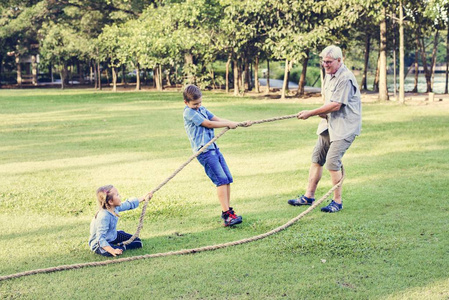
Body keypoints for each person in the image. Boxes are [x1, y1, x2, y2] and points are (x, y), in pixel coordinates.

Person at [287, 45, 362, 213]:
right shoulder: (329, 75)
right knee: (316, 159)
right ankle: (308, 196)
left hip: (345, 127)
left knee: (332, 162)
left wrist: (311, 113)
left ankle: (337, 202)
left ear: (339, 60)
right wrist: (322, 113)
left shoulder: (346, 78)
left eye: (329, 62)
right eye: (324, 62)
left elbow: (336, 105)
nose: (326, 65)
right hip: (329, 124)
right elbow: (329, 102)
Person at [183, 84, 251, 226]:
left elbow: (216, 119)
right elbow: (208, 124)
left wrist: (237, 123)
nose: (198, 106)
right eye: (195, 104)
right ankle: (226, 215)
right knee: (220, 180)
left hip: (213, 148)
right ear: (186, 103)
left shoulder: (202, 109)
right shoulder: (188, 113)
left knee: (227, 178)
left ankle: (229, 212)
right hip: (204, 151)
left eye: (200, 102)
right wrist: (230, 124)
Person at [88, 185, 152, 256]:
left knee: (137, 242)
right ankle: (118, 247)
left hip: (113, 236)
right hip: (98, 244)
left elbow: (129, 204)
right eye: (117, 195)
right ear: (110, 201)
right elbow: (100, 239)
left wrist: (143, 198)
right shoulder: (104, 216)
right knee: (113, 253)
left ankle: (120, 245)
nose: (120, 196)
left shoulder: (114, 208)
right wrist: (112, 250)